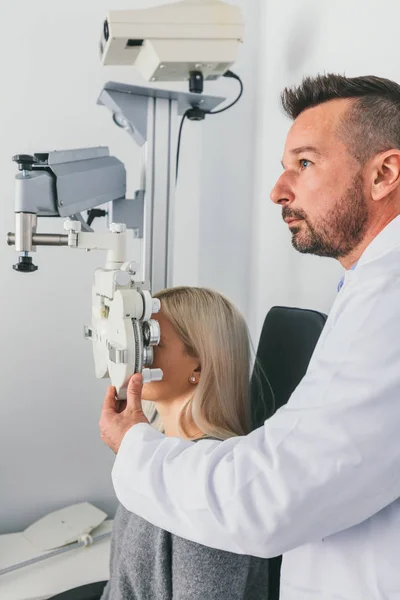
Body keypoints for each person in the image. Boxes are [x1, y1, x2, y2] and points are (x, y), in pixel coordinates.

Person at [99, 74, 400, 600]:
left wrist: (132, 448)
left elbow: (269, 498)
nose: (278, 190)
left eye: (304, 164)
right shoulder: (368, 288)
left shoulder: (389, 300)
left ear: (384, 173)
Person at [100, 286, 270, 600]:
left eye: (151, 342)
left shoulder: (211, 484)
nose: (135, 355)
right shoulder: (154, 456)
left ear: (199, 367)